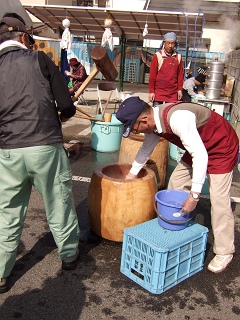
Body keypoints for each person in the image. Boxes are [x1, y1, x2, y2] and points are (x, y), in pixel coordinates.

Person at [0, 13, 80, 294]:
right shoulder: (39, 60)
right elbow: (66, 104)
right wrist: (63, 114)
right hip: (45, 146)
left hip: (7, 151)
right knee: (58, 201)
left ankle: (1, 273)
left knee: (7, 213)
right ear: (23, 38)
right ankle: (69, 254)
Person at [116, 96, 239, 273]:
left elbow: (201, 156)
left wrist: (194, 195)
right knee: (176, 183)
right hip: (198, 146)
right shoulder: (153, 124)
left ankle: (225, 251)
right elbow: (146, 149)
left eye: (135, 128)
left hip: (221, 147)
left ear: (144, 120)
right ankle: (175, 226)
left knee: (219, 199)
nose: (138, 132)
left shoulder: (177, 118)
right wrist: (131, 174)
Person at [148, 32, 184, 105]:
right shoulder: (157, 56)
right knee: (157, 114)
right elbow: (152, 76)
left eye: (172, 43)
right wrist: (152, 92)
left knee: (170, 114)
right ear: (164, 43)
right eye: (168, 43)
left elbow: (180, 75)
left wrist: (179, 90)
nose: (170, 46)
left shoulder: (178, 57)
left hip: (173, 94)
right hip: (159, 92)